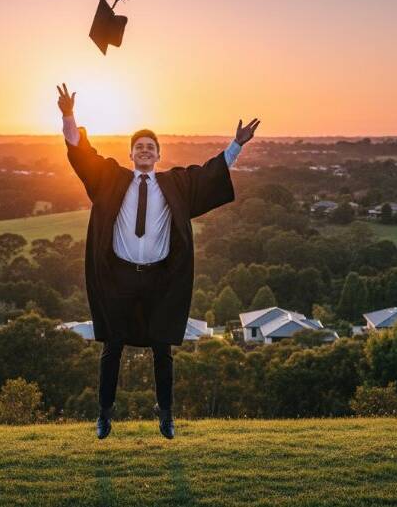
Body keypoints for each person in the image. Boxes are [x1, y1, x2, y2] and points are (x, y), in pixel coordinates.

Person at [57, 83, 260, 439]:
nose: (145, 151)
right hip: (118, 277)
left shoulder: (175, 184)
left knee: (162, 348)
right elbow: (80, 151)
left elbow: (212, 171)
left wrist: (237, 145)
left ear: (158, 154)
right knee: (112, 347)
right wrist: (68, 115)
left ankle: (166, 415)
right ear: (131, 153)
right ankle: (104, 414)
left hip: (159, 280)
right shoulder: (110, 178)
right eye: (139, 147)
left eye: (150, 147)